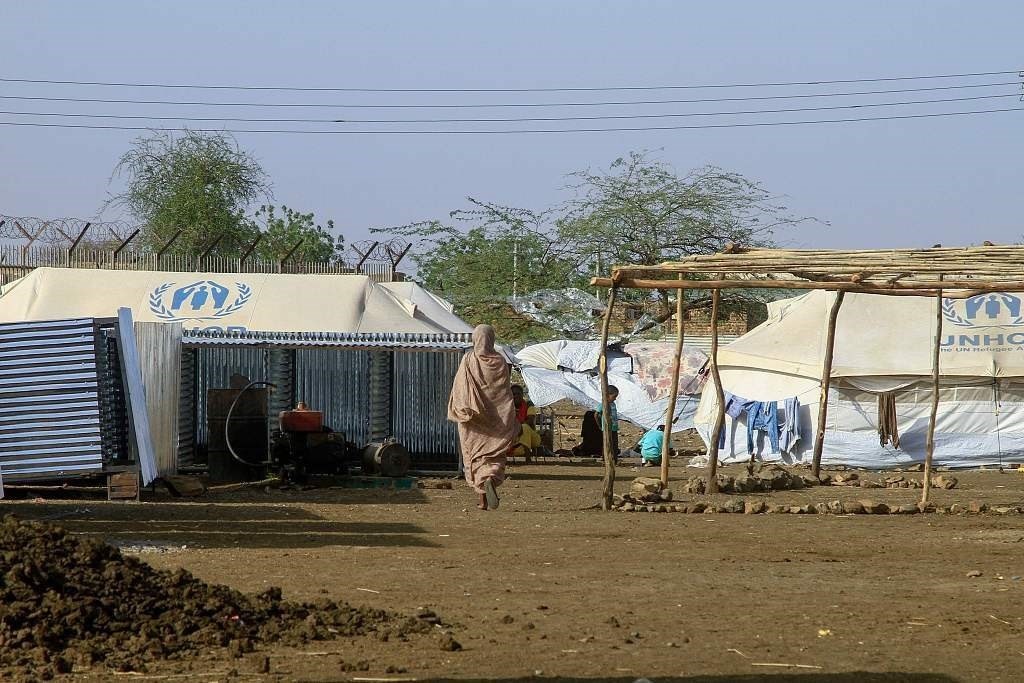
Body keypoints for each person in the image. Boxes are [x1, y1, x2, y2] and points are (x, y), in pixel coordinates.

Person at [447, 324, 519, 511]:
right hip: (498, 419)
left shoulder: (468, 360)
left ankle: (482, 500)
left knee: (475, 456)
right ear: (492, 339)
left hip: (473, 420)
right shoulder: (500, 361)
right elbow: (504, 392)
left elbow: (460, 388)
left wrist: (464, 408)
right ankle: (490, 479)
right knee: (494, 455)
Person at [511, 384, 541, 462]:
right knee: (517, 451)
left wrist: (517, 416)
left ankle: (528, 457)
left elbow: (530, 421)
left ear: (522, 395)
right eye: (513, 394)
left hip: (532, 438)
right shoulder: (508, 407)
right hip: (516, 439)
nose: (516, 396)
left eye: (518, 394)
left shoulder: (529, 405)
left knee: (524, 427)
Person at [594, 385, 621, 462]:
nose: (615, 399)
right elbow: (596, 415)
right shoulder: (603, 404)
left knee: (614, 444)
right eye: (614, 396)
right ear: (607, 395)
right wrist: (600, 425)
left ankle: (614, 459)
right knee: (607, 443)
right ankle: (605, 458)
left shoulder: (613, 404)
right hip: (607, 428)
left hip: (614, 428)